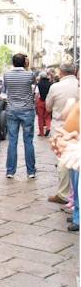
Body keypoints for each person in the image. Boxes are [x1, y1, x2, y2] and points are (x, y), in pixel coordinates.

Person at [45, 62, 80, 205]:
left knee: (63, 161)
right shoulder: (77, 85)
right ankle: (73, 196)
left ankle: (64, 194)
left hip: (61, 126)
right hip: (78, 126)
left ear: (61, 72)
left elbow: (48, 107)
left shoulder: (56, 87)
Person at [3, 53, 36, 179]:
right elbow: (32, 86)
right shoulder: (30, 74)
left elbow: (5, 90)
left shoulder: (6, 75)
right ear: (25, 63)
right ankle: (31, 171)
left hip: (12, 110)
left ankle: (10, 171)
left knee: (12, 141)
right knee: (28, 141)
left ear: (13, 63)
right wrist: (26, 66)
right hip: (27, 110)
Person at [35, 71, 52, 137]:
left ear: (41, 77)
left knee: (40, 117)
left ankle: (41, 132)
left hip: (40, 101)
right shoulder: (50, 84)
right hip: (48, 101)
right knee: (48, 116)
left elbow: (37, 94)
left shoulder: (38, 84)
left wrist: (36, 103)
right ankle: (48, 127)